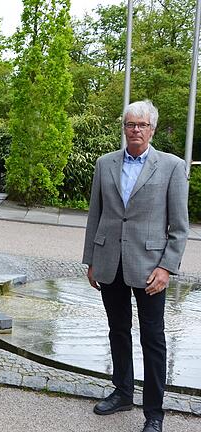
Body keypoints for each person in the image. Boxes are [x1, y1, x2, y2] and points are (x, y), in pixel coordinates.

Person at [83, 100, 189, 432]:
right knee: (118, 331)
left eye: (142, 125)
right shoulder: (105, 163)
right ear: (124, 128)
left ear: (152, 129)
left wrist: (167, 268)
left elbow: (180, 227)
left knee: (153, 338)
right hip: (110, 262)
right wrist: (91, 260)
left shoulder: (171, 166)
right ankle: (123, 391)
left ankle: (154, 413)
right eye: (130, 124)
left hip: (150, 268)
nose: (136, 130)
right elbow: (95, 215)